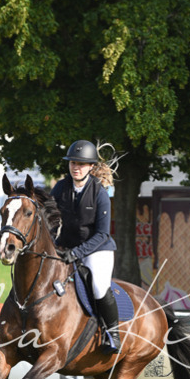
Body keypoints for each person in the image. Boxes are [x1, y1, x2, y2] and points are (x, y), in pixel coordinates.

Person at [51, 140, 121, 353]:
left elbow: (102, 233)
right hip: (67, 247)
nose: (76, 167)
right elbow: (51, 220)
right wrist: (53, 243)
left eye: (81, 164)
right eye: (73, 162)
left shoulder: (99, 192)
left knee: (99, 286)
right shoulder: (60, 188)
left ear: (91, 167)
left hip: (97, 249)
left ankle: (113, 334)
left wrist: (77, 252)